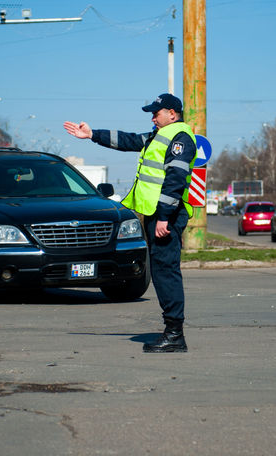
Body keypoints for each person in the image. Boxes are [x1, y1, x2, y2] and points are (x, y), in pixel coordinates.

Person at [63, 93, 197, 353]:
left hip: (166, 216)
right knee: (161, 273)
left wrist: (163, 217)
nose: (152, 117)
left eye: (156, 113)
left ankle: (174, 335)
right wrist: (92, 134)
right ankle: (172, 333)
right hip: (157, 215)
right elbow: (127, 140)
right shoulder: (158, 136)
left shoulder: (180, 138)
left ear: (172, 113)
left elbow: (176, 180)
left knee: (166, 273)